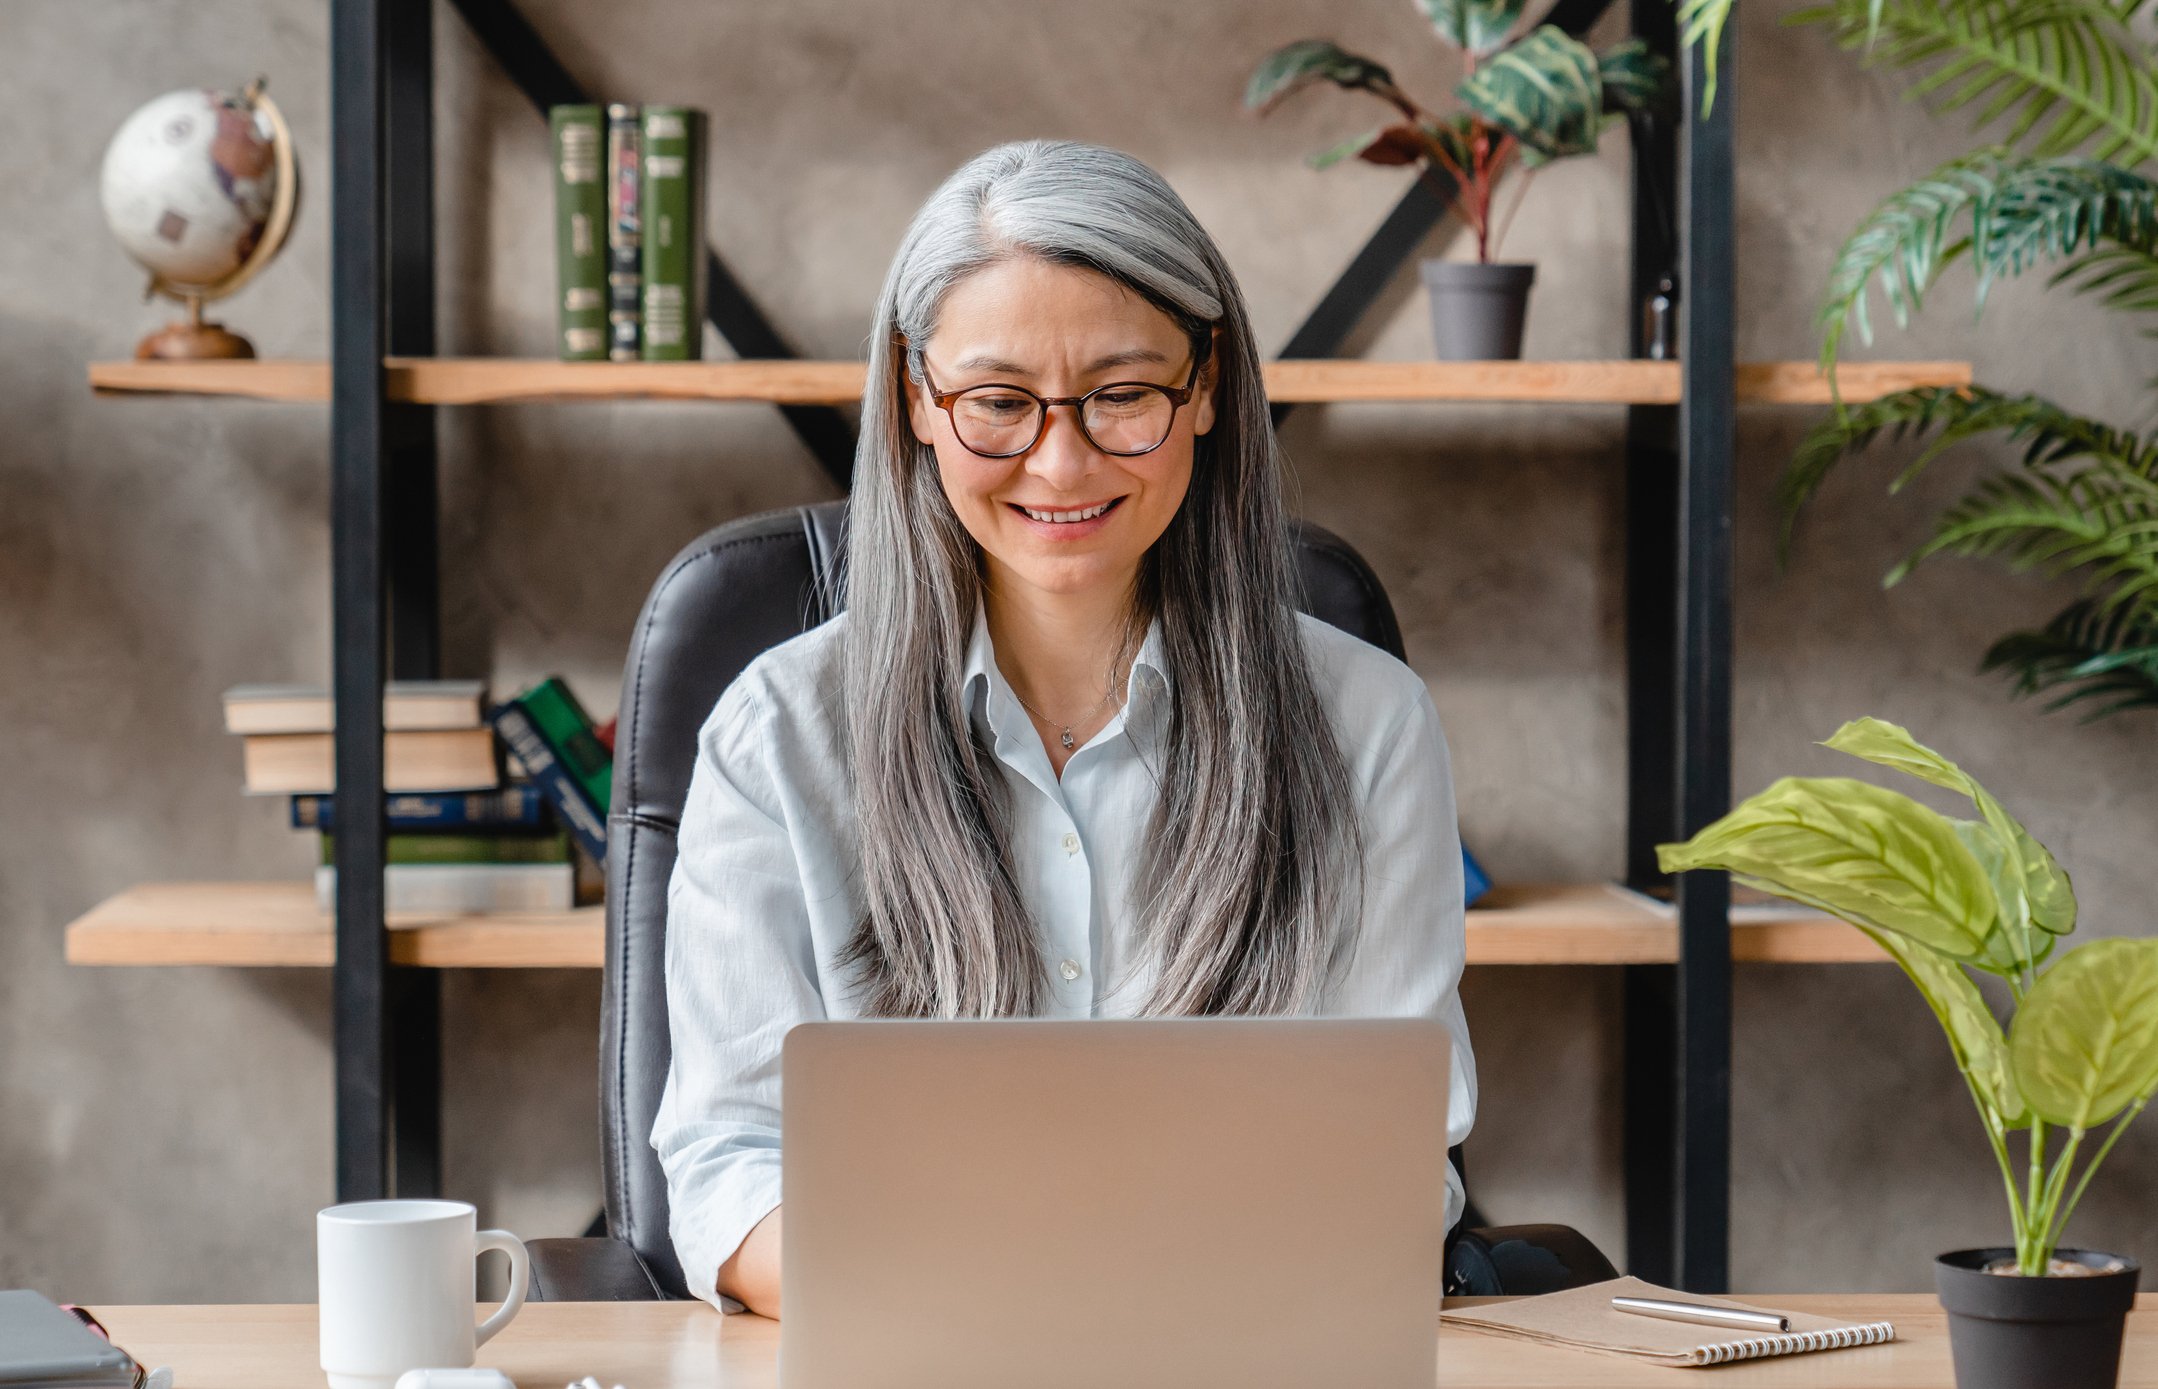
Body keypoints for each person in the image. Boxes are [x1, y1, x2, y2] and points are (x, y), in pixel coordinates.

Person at [651, 139, 1476, 1318]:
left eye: (1122, 396)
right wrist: (1007, 1310)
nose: (1060, 458)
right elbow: (729, 1175)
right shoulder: (778, 734)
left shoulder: (1368, 726)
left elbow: (1392, 1168)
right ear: (917, 404)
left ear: (1203, 388)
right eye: (997, 402)